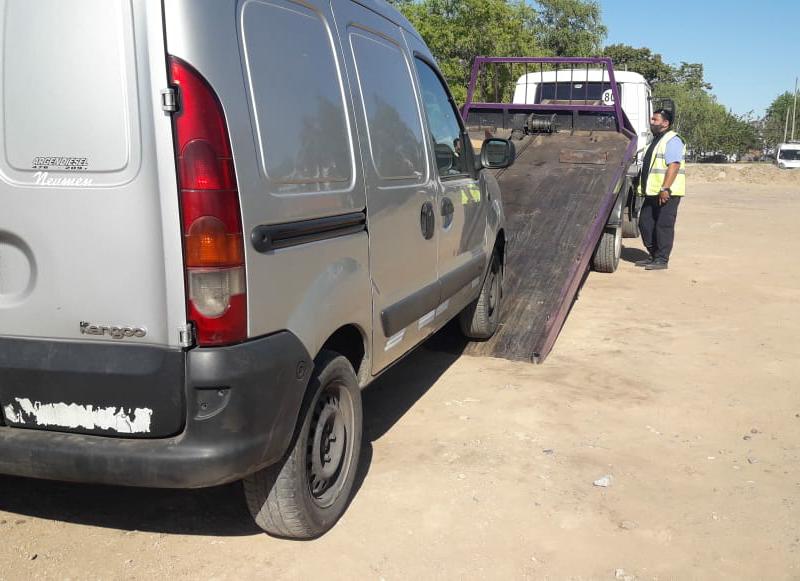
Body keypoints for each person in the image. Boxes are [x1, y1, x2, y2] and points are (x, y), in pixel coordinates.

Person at [636, 109, 686, 270]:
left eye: (655, 119)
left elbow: (674, 165)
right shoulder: (655, 140)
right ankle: (653, 254)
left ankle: (662, 259)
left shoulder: (672, 140)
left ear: (665, 123)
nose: (652, 122)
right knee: (645, 222)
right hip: (652, 192)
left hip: (666, 192)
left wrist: (665, 188)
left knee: (663, 226)